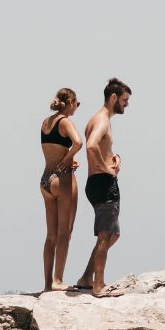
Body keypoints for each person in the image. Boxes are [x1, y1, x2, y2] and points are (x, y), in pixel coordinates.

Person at [75, 78, 130, 297]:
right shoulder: (102, 120)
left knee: (112, 234)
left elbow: (100, 146)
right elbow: (90, 145)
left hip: (97, 182)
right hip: (102, 183)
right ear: (113, 97)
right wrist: (106, 168)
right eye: (125, 100)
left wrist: (113, 158)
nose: (127, 104)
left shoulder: (99, 119)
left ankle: (87, 277)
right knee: (106, 234)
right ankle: (98, 286)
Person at [39, 88, 84, 292]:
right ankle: (58, 279)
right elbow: (78, 142)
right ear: (70, 101)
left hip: (45, 179)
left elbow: (52, 150)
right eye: (77, 103)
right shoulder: (65, 121)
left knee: (51, 235)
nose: (77, 107)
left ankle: (47, 283)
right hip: (62, 180)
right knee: (65, 231)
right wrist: (67, 159)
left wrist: (65, 158)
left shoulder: (46, 123)